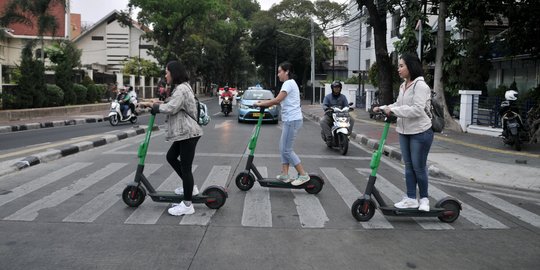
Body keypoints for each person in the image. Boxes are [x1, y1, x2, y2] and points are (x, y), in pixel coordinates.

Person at [138, 60, 202, 216]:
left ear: (174, 73)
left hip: (188, 133)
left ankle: (187, 204)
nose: (165, 75)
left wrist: (155, 107)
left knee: (186, 168)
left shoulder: (181, 89)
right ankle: (191, 189)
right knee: (171, 157)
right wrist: (150, 103)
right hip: (185, 133)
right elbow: (171, 103)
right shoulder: (182, 87)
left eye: (167, 72)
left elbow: (171, 108)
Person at [373, 52, 433, 212]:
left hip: (420, 132)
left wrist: (393, 111)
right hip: (405, 131)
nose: (398, 69)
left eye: (401, 66)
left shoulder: (421, 86)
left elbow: (417, 110)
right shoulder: (403, 85)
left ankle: (425, 199)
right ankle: (411, 198)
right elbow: (398, 104)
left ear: (410, 66)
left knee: (418, 167)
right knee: (408, 166)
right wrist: (385, 107)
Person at [255, 61, 310, 186]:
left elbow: (278, 100)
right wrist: (262, 101)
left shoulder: (288, 83)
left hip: (292, 120)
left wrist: (260, 104)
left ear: (287, 72)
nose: (278, 74)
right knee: (283, 148)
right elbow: (278, 100)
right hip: (290, 120)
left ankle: (303, 174)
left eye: (280, 71)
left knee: (286, 149)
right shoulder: (289, 84)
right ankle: (285, 174)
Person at [320, 81, 355, 145]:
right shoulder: (328, 97)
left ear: (340, 88)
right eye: (335, 87)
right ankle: (329, 137)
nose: (337, 89)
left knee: (352, 119)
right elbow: (324, 105)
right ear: (332, 88)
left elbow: (346, 105)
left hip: (342, 115)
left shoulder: (343, 97)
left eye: (338, 87)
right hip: (331, 115)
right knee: (322, 121)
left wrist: (348, 108)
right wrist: (327, 108)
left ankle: (347, 135)